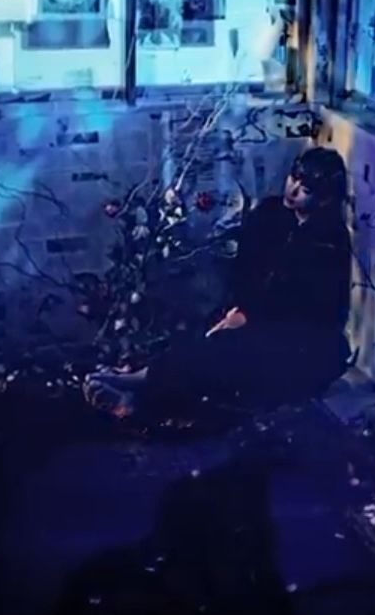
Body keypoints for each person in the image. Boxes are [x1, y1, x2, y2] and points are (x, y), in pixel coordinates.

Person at [87, 146, 355, 419]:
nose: (293, 190)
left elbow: (305, 302)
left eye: (305, 189)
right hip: (247, 312)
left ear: (324, 199)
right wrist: (237, 310)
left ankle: (139, 389)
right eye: (293, 178)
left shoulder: (329, 239)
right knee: (202, 343)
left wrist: (249, 317)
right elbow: (244, 270)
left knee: (225, 357)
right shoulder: (270, 213)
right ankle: (140, 389)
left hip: (298, 335)